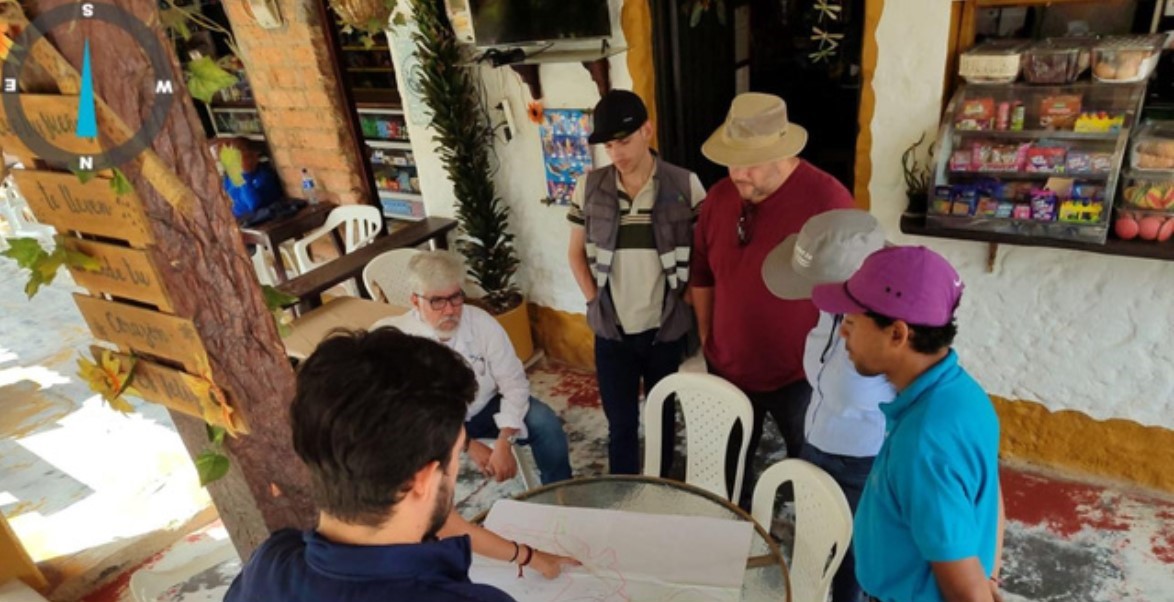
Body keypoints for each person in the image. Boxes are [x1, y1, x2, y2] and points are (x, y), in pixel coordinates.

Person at [225, 328, 576, 601]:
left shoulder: (269, 564)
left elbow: (439, 518)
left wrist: (527, 555)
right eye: (456, 456)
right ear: (423, 479)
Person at [811, 246, 1005, 602]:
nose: (842, 334)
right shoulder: (963, 395)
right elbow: (991, 497)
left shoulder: (923, 444)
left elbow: (967, 594)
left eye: (851, 323)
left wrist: (981, 586)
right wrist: (989, 576)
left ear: (897, 335)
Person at [690, 92, 855, 501]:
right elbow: (702, 273)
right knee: (727, 472)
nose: (737, 173)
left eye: (750, 162)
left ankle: (806, 536)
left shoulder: (827, 201)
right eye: (731, 160)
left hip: (800, 376)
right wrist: (708, 337)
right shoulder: (718, 198)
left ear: (783, 152)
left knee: (811, 474)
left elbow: (850, 292)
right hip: (728, 367)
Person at [566, 89, 707, 475]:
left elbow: (703, 257)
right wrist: (594, 302)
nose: (617, 153)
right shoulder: (588, 187)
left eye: (624, 141)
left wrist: (686, 308)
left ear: (648, 130)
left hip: (664, 329)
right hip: (612, 330)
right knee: (621, 426)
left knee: (663, 420)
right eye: (609, 146)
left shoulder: (685, 185)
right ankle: (623, 495)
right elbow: (575, 253)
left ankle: (660, 489)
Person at [761, 209, 894, 602]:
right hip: (816, 445)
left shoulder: (896, 331)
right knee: (812, 548)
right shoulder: (830, 307)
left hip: (863, 462)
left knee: (854, 562)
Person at [373, 250, 573, 485]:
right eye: (437, 301)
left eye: (455, 297)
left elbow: (513, 382)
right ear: (415, 301)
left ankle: (560, 492)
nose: (450, 310)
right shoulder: (400, 339)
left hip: (484, 407)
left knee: (546, 424)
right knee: (402, 457)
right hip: (431, 424)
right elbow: (410, 411)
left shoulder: (481, 323)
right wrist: (467, 444)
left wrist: (505, 441)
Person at [212, 137, 282, 220]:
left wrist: (245, 175)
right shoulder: (230, 177)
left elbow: (254, 204)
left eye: (239, 158)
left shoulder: (264, 177)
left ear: (254, 157)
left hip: (257, 220)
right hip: (235, 220)